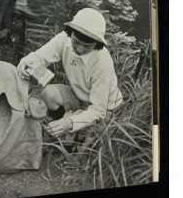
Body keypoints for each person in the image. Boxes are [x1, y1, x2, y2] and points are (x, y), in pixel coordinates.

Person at [17, 8, 123, 138]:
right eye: (76, 42)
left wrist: (69, 123)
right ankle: (58, 125)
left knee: (85, 141)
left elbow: (98, 110)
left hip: (105, 108)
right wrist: (26, 64)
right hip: (78, 96)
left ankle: (69, 128)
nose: (79, 49)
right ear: (71, 33)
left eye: (87, 46)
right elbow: (39, 57)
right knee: (49, 94)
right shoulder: (64, 39)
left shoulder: (102, 62)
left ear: (97, 44)